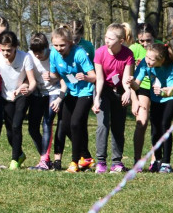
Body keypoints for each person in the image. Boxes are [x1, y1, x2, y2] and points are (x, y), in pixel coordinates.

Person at [50, 24, 97, 173]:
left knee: (75, 123)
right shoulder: (53, 53)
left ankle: (74, 162)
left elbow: (94, 77)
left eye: (62, 45)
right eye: (56, 45)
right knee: (65, 126)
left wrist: (85, 77)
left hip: (86, 91)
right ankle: (86, 158)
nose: (58, 48)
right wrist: (50, 77)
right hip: (70, 91)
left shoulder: (79, 53)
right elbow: (55, 75)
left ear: (70, 43)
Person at [92, 23, 135, 173]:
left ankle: (117, 162)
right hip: (103, 90)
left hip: (120, 90)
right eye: (106, 37)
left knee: (118, 126)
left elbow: (125, 78)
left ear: (121, 41)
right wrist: (97, 98)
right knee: (103, 125)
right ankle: (101, 162)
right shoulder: (99, 53)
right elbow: (99, 79)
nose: (107, 41)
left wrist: (128, 91)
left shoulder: (128, 54)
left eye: (110, 39)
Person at [0, 31, 37, 170]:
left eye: (9, 50)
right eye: (3, 50)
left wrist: (28, 90)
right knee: (10, 130)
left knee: (17, 125)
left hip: (22, 95)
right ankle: (20, 154)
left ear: (16, 46)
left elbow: (32, 81)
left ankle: (14, 160)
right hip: (6, 97)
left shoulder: (25, 57)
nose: (6, 53)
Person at [132, 43, 173, 173]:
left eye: (151, 59)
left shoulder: (172, 68)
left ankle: (166, 163)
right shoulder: (145, 63)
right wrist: (131, 82)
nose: (148, 61)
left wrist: (165, 91)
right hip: (155, 98)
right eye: (147, 57)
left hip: (171, 97)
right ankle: (157, 160)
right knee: (155, 129)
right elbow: (136, 85)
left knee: (165, 124)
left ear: (161, 60)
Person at [26, 32, 64, 170]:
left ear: (47, 47)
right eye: (35, 52)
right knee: (32, 128)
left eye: (40, 52)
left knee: (47, 122)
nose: (38, 55)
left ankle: (44, 160)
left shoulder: (55, 54)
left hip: (54, 91)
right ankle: (45, 158)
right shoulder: (29, 56)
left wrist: (53, 77)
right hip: (38, 92)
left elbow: (63, 76)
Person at [129, 23, 156, 163]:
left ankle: (155, 160)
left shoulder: (160, 47)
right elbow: (129, 78)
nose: (145, 44)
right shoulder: (133, 49)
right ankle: (137, 160)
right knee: (142, 122)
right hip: (140, 87)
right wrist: (134, 100)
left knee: (157, 125)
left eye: (148, 40)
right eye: (142, 41)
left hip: (158, 88)